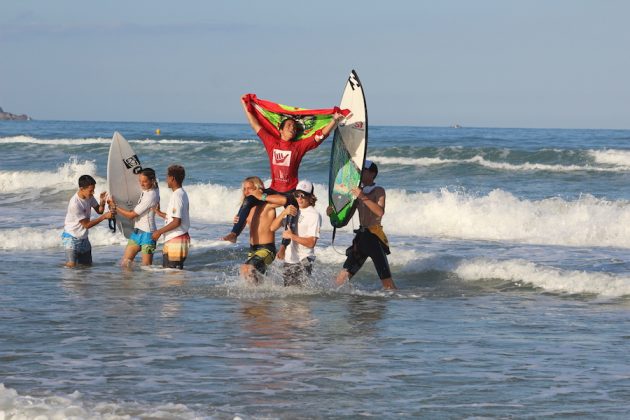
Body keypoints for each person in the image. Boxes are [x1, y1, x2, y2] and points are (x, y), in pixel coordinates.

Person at [222, 95, 344, 258]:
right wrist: (246, 106)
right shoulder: (271, 143)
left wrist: (334, 121)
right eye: (289, 125)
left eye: (294, 126)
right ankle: (234, 233)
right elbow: (255, 125)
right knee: (249, 199)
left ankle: (283, 248)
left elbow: (319, 136)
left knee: (291, 214)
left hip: (291, 191)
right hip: (273, 189)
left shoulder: (298, 146)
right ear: (280, 129)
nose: (292, 128)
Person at [332, 160, 397, 290]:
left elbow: (379, 212)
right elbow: (345, 219)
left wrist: (362, 197)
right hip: (361, 238)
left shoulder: (378, 191)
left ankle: (397, 304)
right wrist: (332, 214)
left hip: (374, 237)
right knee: (341, 278)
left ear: (372, 173)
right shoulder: (357, 192)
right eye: (359, 171)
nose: (360, 173)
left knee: (387, 282)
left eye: (363, 171)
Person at [270, 180, 321, 286]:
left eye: (303, 195)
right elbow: (272, 227)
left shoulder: (314, 215)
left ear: (311, 197)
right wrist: (283, 212)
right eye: (297, 195)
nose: (300, 198)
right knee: (289, 295)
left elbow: (311, 242)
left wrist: (292, 236)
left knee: (299, 296)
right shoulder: (292, 210)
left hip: (304, 258)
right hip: (289, 258)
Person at [237, 176, 284, 284]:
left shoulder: (267, 205)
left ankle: (256, 298)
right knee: (257, 279)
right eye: (244, 189)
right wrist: (238, 221)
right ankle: (262, 300)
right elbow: (242, 224)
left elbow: (284, 200)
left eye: (250, 188)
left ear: (258, 189)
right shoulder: (247, 208)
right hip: (252, 250)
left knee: (246, 268)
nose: (246, 191)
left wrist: (262, 196)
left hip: (266, 249)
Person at [61, 174, 115, 267]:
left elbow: (99, 211)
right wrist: (104, 217)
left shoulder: (89, 197)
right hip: (71, 238)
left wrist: (102, 202)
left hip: (84, 238)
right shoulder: (75, 203)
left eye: (93, 189)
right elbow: (86, 225)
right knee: (71, 267)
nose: (93, 192)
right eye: (91, 190)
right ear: (82, 189)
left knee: (87, 267)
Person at [111, 168, 160, 267]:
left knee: (147, 267)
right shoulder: (151, 189)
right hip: (137, 232)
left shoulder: (151, 195)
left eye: (145, 181)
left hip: (148, 235)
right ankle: (128, 282)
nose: (141, 184)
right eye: (140, 181)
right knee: (125, 263)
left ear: (152, 180)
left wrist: (115, 206)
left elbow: (131, 215)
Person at [152, 165, 190, 269]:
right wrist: (159, 213)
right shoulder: (182, 193)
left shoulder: (177, 196)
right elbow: (175, 217)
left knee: (173, 276)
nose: (166, 180)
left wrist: (159, 232)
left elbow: (177, 221)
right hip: (176, 238)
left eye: (167, 177)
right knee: (171, 274)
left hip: (176, 239)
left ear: (172, 178)